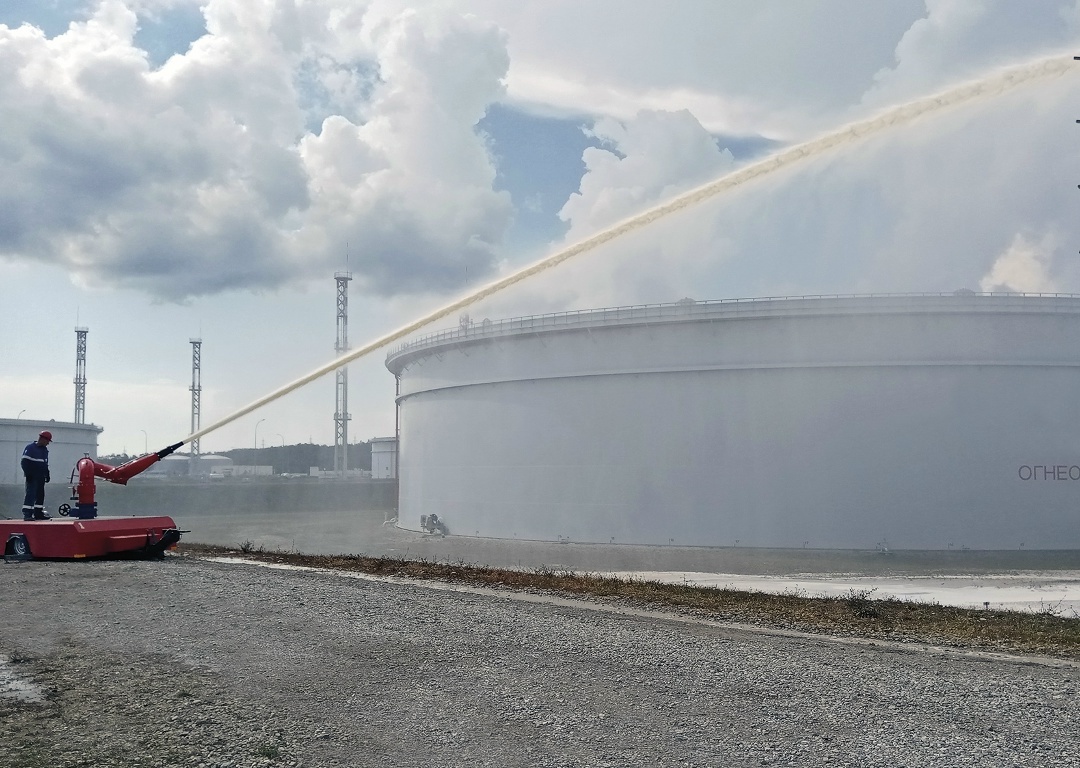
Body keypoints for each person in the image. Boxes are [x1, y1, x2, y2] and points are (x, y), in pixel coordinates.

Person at [21, 430, 52, 521]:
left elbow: (44, 463)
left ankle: (38, 512)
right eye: (47, 441)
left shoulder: (44, 450)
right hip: (32, 475)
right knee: (31, 494)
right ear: (42, 439)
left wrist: (47, 473)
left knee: (40, 494)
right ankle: (27, 514)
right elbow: (24, 462)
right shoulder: (30, 448)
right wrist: (28, 474)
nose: (48, 444)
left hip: (40, 476)